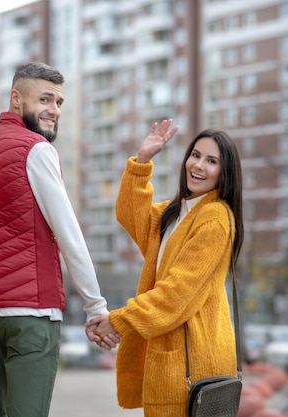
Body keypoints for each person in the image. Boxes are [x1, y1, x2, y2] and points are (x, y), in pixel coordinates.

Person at [0, 62, 115, 417]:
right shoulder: (36, 150)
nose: (54, 110)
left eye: (59, 102)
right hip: (31, 315)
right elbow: (69, 234)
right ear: (16, 99)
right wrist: (96, 307)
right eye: (45, 99)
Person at [88, 120, 244, 417]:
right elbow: (130, 214)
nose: (198, 165)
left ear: (225, 173)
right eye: (195, 155)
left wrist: (119, 319)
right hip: (174, 363)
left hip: (194, 365)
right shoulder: (176, 212)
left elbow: (175, 295)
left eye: (212, 161)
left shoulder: (215, 218)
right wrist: (143, 160)